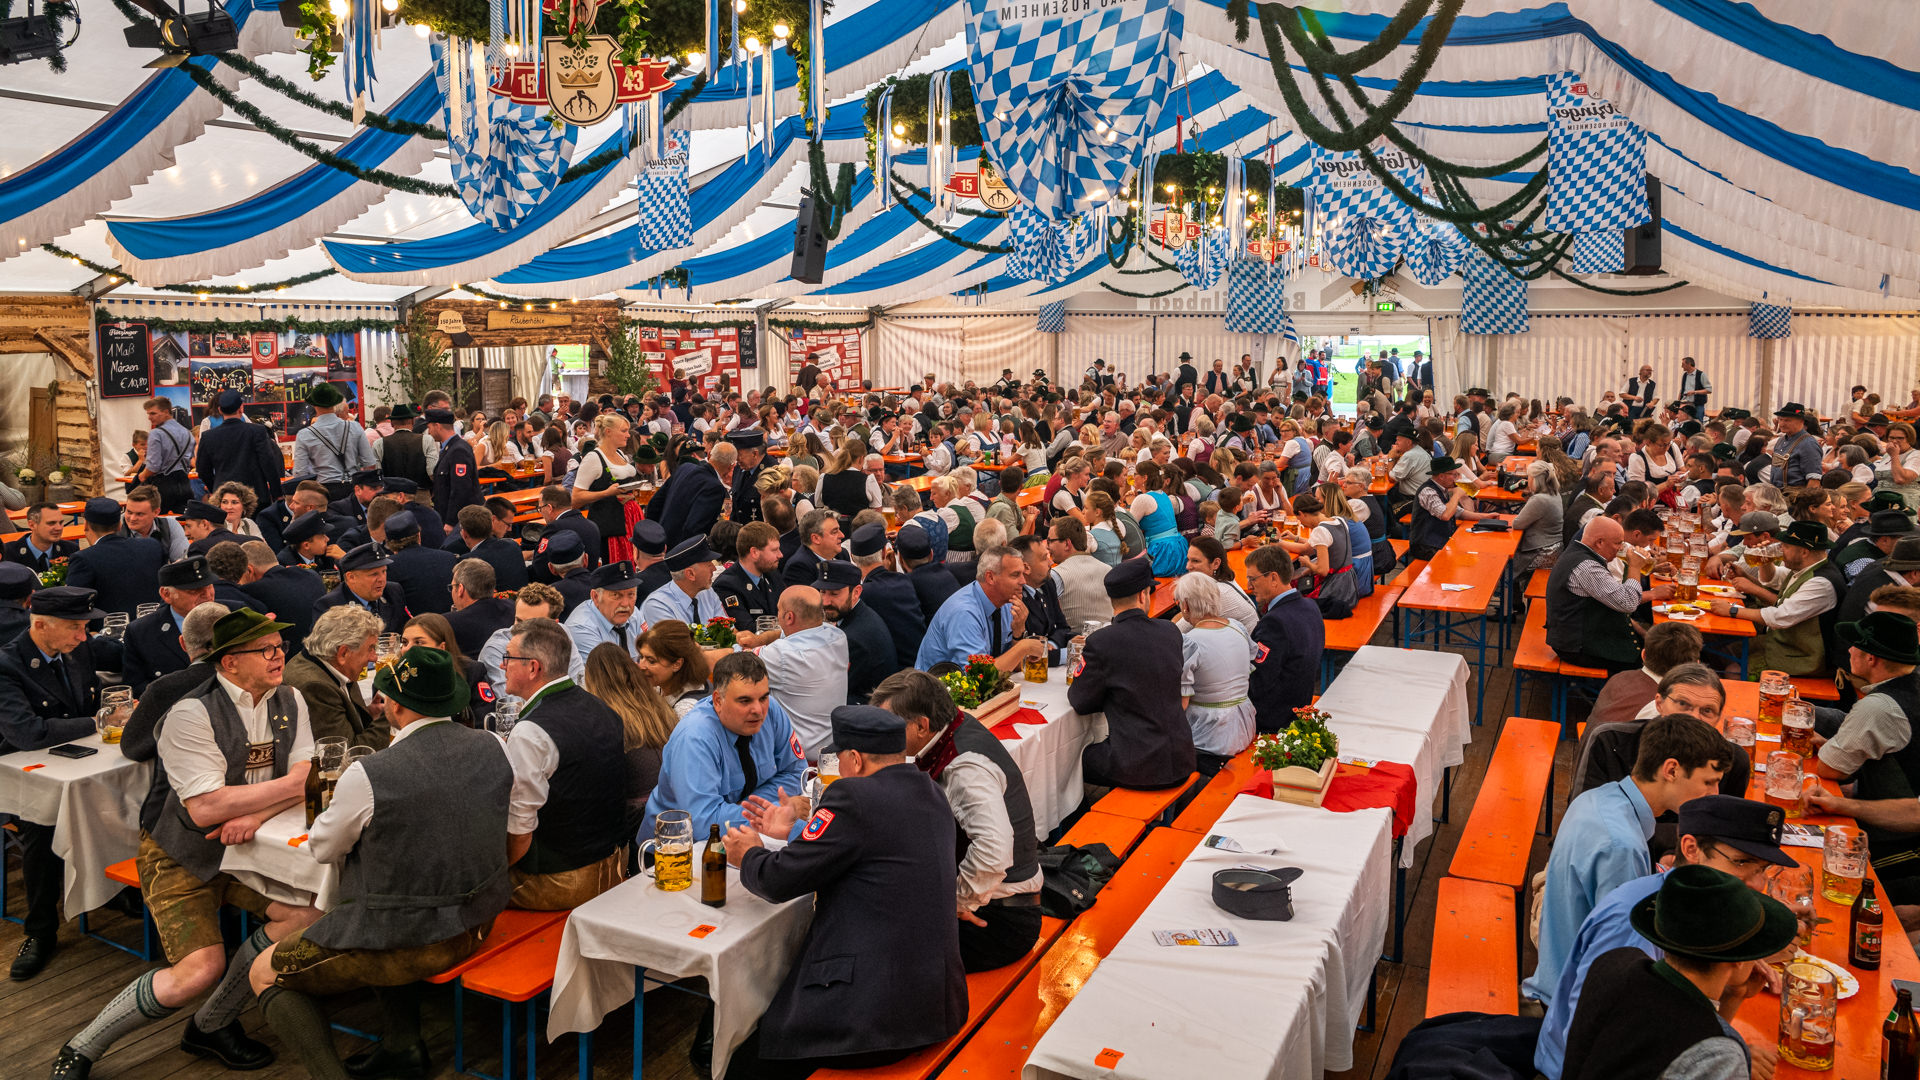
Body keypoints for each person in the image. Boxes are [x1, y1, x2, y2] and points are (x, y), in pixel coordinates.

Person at [50, 608, 320, 1080]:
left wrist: (255, 814)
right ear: (230, 662)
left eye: (280, 647)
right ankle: (82, 1045)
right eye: (266, 650)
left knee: (308, 916)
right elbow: (205, 809)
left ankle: (210, 1024)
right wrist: (290, 785)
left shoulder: (290, 698)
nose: (280, 656)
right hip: (181, 852)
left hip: (252, 844)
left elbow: (309, 779)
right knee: (198, 970)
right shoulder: (190, 713)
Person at [248, 645, 511, 1080]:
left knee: (264, 972)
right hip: (479, 920)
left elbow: (323, 848)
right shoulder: (494, 745)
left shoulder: (369, 774)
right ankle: (402, 1045)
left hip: (407, 941)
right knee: (382, 894)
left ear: (395, 705)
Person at [723, 704, 967, 1079]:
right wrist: (788, 834)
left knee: (747, 1064)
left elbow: (778, 882)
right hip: (937, 1003)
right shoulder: (931, 791)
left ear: (854, 759)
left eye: (839, 758)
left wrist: (749, 854)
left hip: (871, 1017)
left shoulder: (853, 797)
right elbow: (874, 852)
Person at [1534, 794, 1798, 1080]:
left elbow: (1673, 1030)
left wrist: (1733, 995)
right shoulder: (1632, 926)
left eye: (1762, 869)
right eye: (1742, 862)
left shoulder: (1677, 908)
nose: (1758, 884)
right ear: (1691, 848)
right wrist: (1723, 1060)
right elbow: (1596, 1042)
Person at [1524, 715, 1734, 1005]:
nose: (1715, 794)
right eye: (1709, 782)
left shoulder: (1597, 798)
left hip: (1558, 974)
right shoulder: (1621, 846)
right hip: (1575, 1004)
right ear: (1671, 770)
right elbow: (1624, 961)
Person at [1559, 865, 1797, 1080]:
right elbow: (1700, 1044)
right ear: (1738, 959)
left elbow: (1691, 1027)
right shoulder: (1720, 1057)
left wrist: (1734, 996)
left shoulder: (1616, 961)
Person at [874, 670, 1042, 972]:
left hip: (999, 922)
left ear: (922, 726)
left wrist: (956, 903)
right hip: (994, 903)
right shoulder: (953, 728)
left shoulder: (965, 767)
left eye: (890, 725)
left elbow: (994, 852)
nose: (882, 734)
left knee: (874, 941)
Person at [0, 588, 110, 980]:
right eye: (74, 627)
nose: (83, 635)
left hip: (80, 764)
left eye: (84, 627)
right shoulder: (7, 665)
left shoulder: (78, 650)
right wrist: (97, 723)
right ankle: (40, 931)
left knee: (125, 801)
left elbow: (90, 701)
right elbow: (26, 733)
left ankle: (116, 890)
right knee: (41, 828)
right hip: (23, 776)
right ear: (41, 625)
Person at [496, 617, 629, 909]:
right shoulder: (600, 707)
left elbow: (519, 834)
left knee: (460, 886)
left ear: (533, 668)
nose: (502, 665)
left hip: (561, 881)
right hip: (616, 865)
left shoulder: (531, 732)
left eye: (508, 658)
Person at [646, 650, 808, 839]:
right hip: (674, 847)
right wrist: (775, 811)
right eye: (744, 701)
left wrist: (744, 808)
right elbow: (704, 823)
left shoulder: (771, 710)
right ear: (717, 701)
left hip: (740, 835)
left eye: (763, 697)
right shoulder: (695, 737)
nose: (758, 710)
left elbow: (796, 773)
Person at [1068, 559, 1195, 790]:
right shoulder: (1170, 631)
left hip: (1138, 767)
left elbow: (1080, 702)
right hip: (1182, 757)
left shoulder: (1101, 641)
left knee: (1071, 759)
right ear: (1142, 596)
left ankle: (1077, 811)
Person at [1709, 519, 1842, 676]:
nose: (1780, 550)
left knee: (1733, 669)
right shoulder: (1805, 569)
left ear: (1804, 552)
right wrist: (1764, 559)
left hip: (1801, 657)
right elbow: (1772, 578)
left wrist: (1732, 611)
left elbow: (1780, 616)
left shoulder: (1821, 583)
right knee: (1720, 648)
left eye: (1785, 546)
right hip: (1782, 642)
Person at [1546, 516, 1672, 674]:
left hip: (1580, 636)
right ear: (1599, 542)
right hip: (1577, 647)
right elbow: (1628, 603)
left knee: (1660, 647)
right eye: (1618, 543)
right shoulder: (1587, 567)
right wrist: (1635, 567)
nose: (1621, 548)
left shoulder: (1581, 552)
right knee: (1657, 663)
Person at [580, 641, 680, 838]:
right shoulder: (658, 707)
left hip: (639, 821)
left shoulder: (609, 720)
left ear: (592, 680)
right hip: (674, 805)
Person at [1170, 572, 1258, 776]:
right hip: (1244, 725)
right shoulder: (1237, 627)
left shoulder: (1189, 642)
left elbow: (1182, 703)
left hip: (1210, 735)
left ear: (1186, 606)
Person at [916, 544, 1048, 674]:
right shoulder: (964, 612)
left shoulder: (1007, 602)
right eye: (1015, 575)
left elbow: (1013, 666)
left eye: (1022, 574)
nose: (1023, 581)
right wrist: (1022, 647)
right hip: (936, 686)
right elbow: (978, 676)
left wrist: (1018, 633)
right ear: (990, 577)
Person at [758, 584, 850, 758]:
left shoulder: (781, 654)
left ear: (789, 617)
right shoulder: (838, 636)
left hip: (796, 758)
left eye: (779, 611)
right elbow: (796, 635)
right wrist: (761, 639)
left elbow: (736, 661)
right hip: (833, 749)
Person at [1244, 544, 1325, 734]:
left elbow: (1257, 683)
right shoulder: (1310, 606)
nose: (1249, 586)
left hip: (1272, 721)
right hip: (1299, 708)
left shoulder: (1275, 623)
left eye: (1253, 579)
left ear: (1273, 578)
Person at [283, 604, 388, 749]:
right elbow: (348, 753)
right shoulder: (315, 687)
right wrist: (390, 716)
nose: (374, 658)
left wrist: (369, 714)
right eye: (370, 648)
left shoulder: (331, 664)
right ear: (343, 653)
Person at [123, 555, 221, 694]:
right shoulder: (141, 632)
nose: (207, 595)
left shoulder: (235, 614)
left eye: (209, 586)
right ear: (166, 594)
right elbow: (136, 687)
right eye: (194, 590)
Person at [1583, 621, 1704, 730]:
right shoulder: (1664, 706)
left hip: (1590, 744)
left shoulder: (1619, 677)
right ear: (1696, 664)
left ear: (1644, 655)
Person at [64, 497, 165, 617]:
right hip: (153, 621)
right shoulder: (152, 546)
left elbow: (73, 607)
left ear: (85, 525)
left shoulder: (83, 559)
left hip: (110, 626)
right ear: (119, 525)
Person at [818, 556, 897, 704]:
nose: (826, 602)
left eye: (834, 594)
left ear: (856, 592)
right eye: (823, 592)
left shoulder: (853, 639)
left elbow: (836, 690)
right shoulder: (860, 615)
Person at [850, 522, 927, 670]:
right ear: (884, 553)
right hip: (920, 663)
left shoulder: (863, 593)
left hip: (897, 674)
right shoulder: (904, 581)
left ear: (853, 557)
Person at [564, 559, 647, 676]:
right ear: (595, 597)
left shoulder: (634, 614)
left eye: (631, 594)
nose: (625, 604)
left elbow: (650, 657)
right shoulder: (581, 627)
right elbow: (608, 678)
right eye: (616, 595)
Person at [292, 384, 374, 501]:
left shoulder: (304, 435)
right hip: (354, 489)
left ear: (314, 405)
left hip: (323, 492)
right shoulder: (355, 427)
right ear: (335, 403)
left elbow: (300, 474)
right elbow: (369, 463)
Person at [654, 438, 738, 548]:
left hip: (659, 539)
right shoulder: (715, 488)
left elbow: (655, 503)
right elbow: (695, 529)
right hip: (680, 550)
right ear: (731, 466)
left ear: (709, 455)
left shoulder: (685, 468)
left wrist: (653, 536)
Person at [312, 542, 410, 635]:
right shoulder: (330, 605)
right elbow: (322, 645)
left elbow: (408, 628)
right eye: (374, 574)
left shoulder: (393, 591)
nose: (381, 579)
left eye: (384, 571)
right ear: (351, 577)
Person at [381, 509, 457, 616]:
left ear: (389, 543)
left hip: (416, 624)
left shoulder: (389, 567)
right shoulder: (449, 558)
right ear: (419, 535)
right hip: (451, 622)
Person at [714, 520, 782, 629]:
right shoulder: (726, 585)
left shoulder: (772, 574)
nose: (780, 555)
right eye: (774, 550)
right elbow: (746, 629)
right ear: (754, 552)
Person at [639, 620, 714, 718]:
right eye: (641, 657)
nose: (641, 666)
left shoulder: (685, 710)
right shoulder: (661, 683)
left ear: (677, 664)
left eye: (651, 661)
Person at [424, 408, 480, 538]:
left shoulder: (458, 450)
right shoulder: (449, 448)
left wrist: (451, 521)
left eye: (429, 427)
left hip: (461, 520)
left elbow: (460, 488)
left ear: (437, 426)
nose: (429, 432)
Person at [529, 485, 602, 580]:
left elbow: (540, 567)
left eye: (540, 508)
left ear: (549, 508)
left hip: (561, 585)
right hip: (590, 582)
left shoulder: (554, 528)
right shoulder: (591, 525)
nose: (541, 512)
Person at [782, 508, 845, 597]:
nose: (842, 535)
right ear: (816, 538)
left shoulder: (842, 554)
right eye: (834, 532)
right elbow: (809, 603)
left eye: (839, 530)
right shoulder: (799, 567)